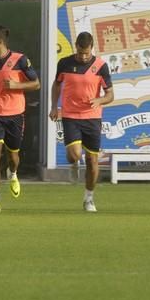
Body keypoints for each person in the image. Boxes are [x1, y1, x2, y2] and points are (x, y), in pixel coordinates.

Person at [0, 25, 40, 213]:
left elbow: (36, 84)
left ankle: (13, 173)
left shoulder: (20, 60)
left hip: (15, 114)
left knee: (13, 156)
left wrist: (16, 84)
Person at [49, 32, 114, 212]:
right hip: (71, 115)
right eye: (80, 52)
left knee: (93, 161)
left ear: (91, 48)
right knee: (76, 154)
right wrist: (54, 106)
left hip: (92, 118)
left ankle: (89, 198)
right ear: (75, 47)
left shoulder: (101, 66)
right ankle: (74, 163)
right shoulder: (65, 63)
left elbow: (110, 95)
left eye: (86, 53)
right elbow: (56, 85)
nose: (83, 56)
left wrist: (99, 101)